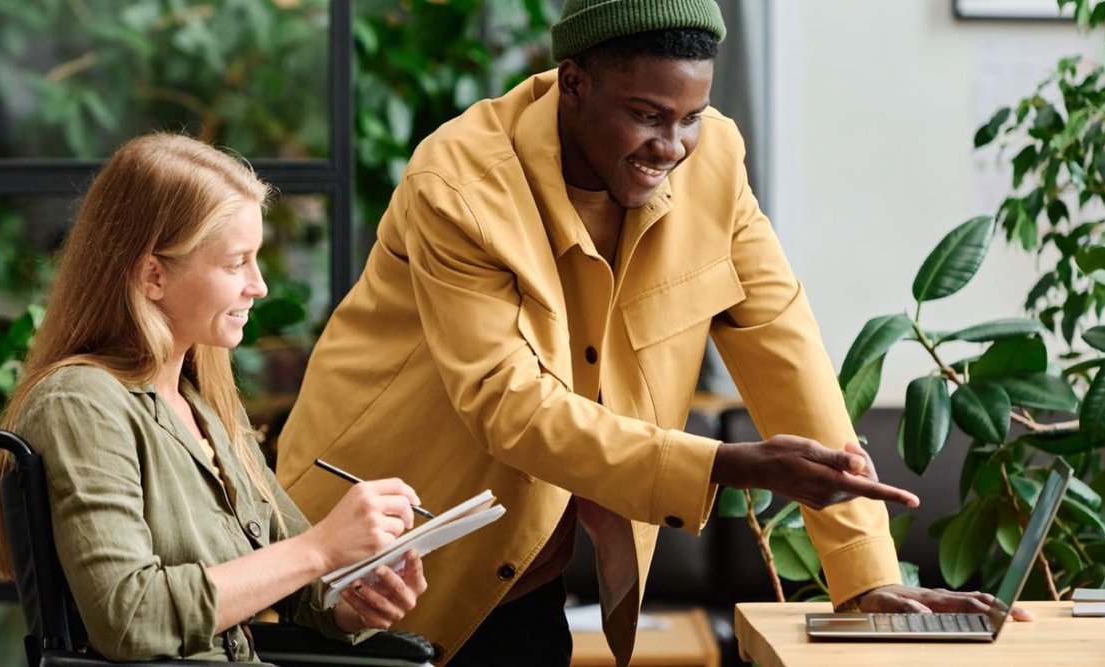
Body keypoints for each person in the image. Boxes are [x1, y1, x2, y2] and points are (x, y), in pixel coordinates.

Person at [277, 1, 1031, 664]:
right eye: (647, 114)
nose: (671, 147)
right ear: (574, 83)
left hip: (520, 577)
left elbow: (783, 346)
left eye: (691, 117)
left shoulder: (716, 164)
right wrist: (729, 464)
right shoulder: (459, 183)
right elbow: (510, 405)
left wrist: (869, 572)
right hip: (366, 558)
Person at [0, 133, 429, 662]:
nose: (258, 285)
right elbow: (129, 619)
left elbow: (298, 582)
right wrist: (320, 548)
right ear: (153, 276)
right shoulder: (81, 404)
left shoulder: (205, 403)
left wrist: (351, 601)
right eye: (236, 263)